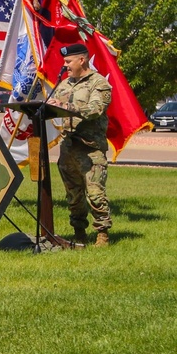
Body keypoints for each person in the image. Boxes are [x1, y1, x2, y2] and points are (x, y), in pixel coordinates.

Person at [48, 43, 113, 247]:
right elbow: (52, 106)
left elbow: (95, 109)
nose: (65, 65)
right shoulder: (64, 85)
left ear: (82, 60)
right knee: (73, 195)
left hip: (91, 149)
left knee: (95, 193)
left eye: (68, 62)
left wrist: (67, 106)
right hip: (69, 148)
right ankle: (79, 233)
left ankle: (102, 234)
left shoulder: (99, 83)